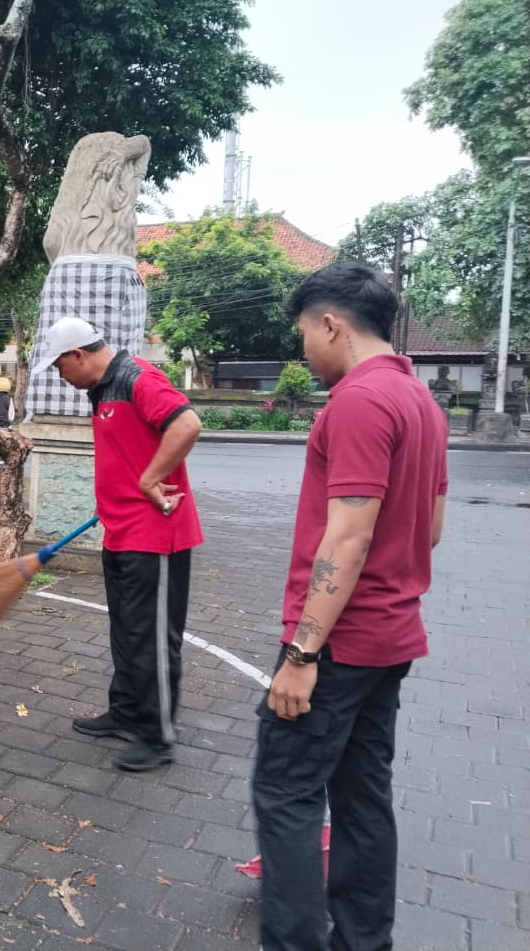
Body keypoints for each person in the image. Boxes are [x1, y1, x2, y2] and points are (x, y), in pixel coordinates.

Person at [252, 262, 448, 951]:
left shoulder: (360, 403)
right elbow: (429, 527)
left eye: (306, 333)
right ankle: (365, 941)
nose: (305, 350)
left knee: (287, 796)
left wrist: (302, 653)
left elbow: (351, 533)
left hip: (337, 644)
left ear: (331, 323)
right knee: (364, 799)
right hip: (392, 635)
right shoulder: (421, 402)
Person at [31, 317, 204, 771]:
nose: (60, 376)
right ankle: (127, 711)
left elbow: (186, 424)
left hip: (157, 536)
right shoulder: (102, 390)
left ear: (79, 355)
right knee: (127, 632)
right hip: (122, 531)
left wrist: (148, 480)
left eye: (60, 366)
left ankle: (158, 735)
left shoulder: (138, 379)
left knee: (154, 637)